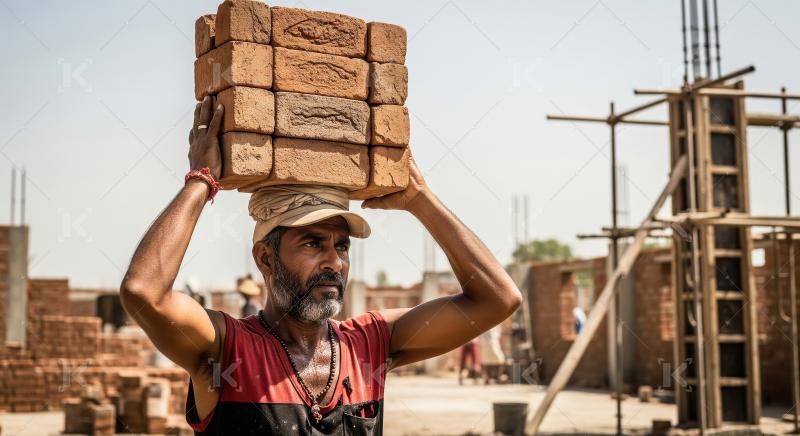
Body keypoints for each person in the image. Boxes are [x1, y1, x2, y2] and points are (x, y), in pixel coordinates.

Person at [119, 96, 522, 435]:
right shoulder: (226, 350)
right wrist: (201, 181)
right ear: (265, 258)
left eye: (342, 246)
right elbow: (144, 292)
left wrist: (420, 198)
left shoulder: (370, 345)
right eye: (313, 243)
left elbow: (498, 299)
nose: (334, 260)